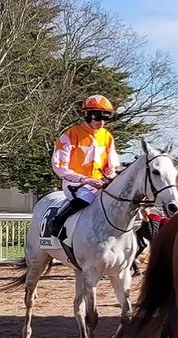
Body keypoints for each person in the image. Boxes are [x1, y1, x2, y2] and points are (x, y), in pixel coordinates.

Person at [49, 95, 123, 238]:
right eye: (97, 118)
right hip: (76, 184)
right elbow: (59, 166)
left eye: (105, 119)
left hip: (101, 183)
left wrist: (110, 177)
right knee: (86, 197)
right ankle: (58, 221)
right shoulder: (70, 134)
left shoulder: (107, 137)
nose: (101, 122)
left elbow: (112, 165)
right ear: (87, 115)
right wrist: (86, 180)